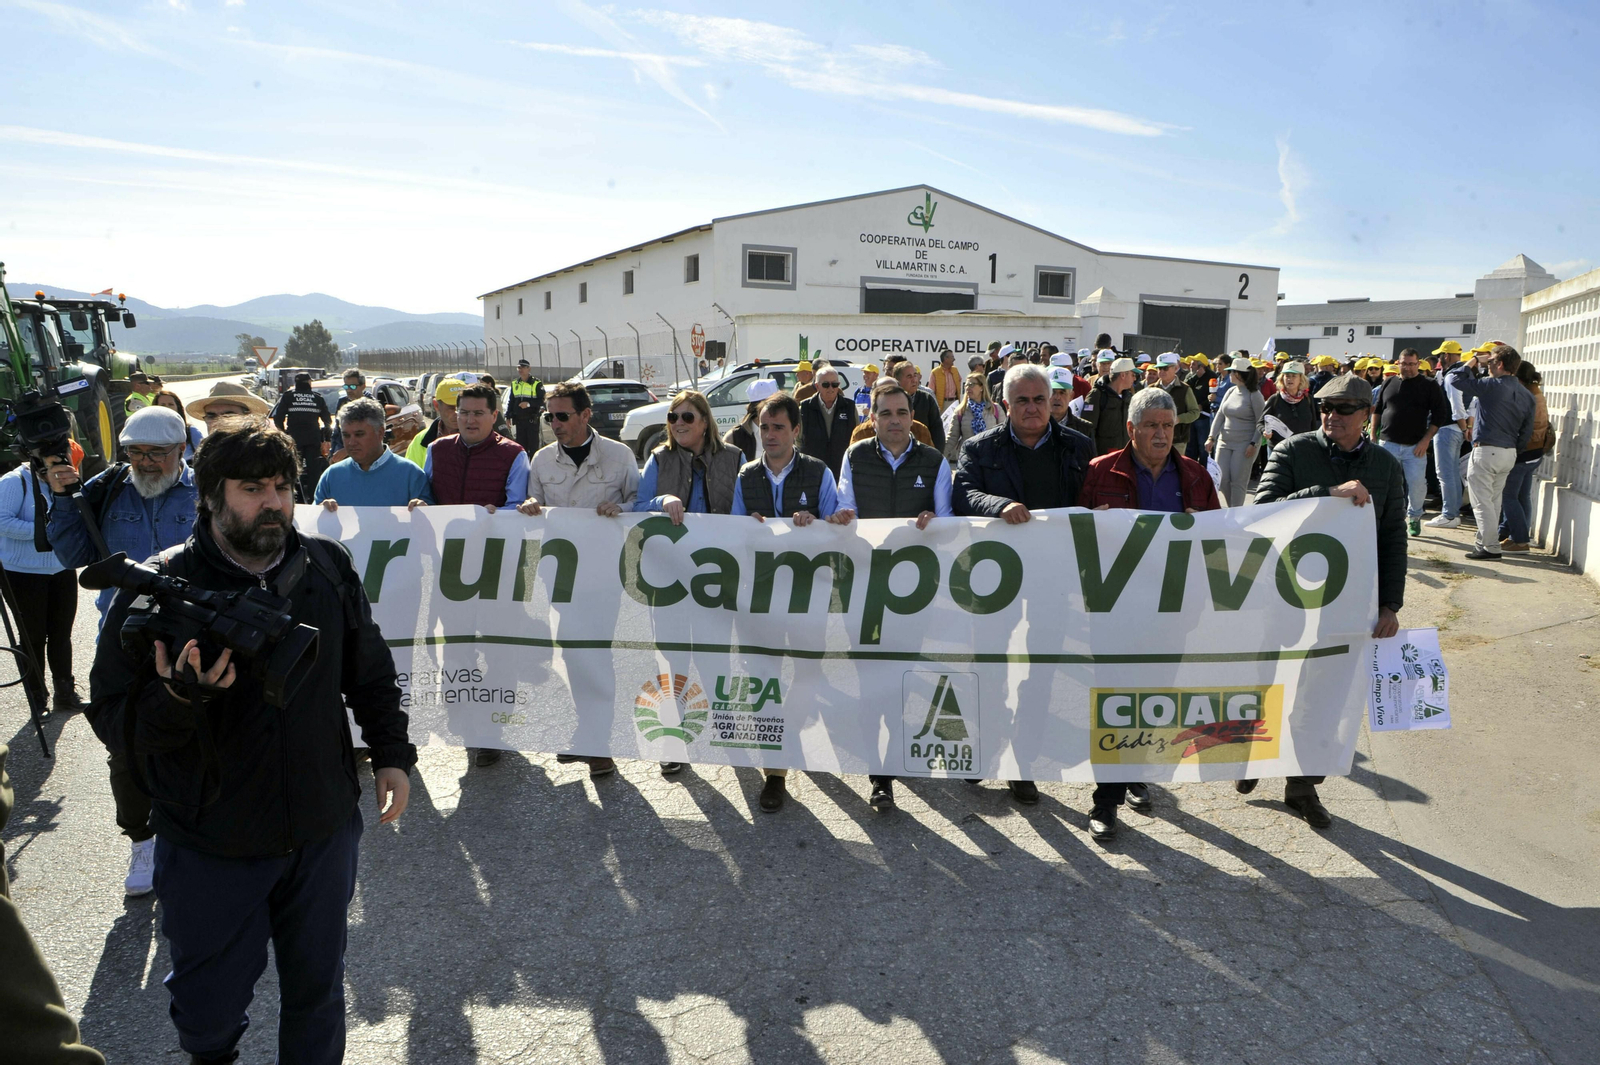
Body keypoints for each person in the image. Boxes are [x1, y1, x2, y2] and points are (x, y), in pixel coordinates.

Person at [87, 416, 415, 1065]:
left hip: (321, 828)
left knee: (317, 996)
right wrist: (179, 697)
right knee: (208, 1014)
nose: (272, 502)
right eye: (250, 488)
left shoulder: (325, 567)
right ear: (209, 495)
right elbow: (113, 721)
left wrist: (392, 754)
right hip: (212, 840)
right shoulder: (155, 590)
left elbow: (370, 670)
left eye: (280, 486)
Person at [45, 406, 202, 897]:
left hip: (193, 634)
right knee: (126, 744)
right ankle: (142, 840)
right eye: (135, 452)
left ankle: (200, 835)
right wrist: (62, 496)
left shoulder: (207, 490)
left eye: (157, 452)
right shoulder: (107, 489)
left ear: (181, 450)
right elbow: (72, 556)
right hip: (122, 639)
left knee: (201, 735)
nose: (146, 462)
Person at [1242, 374, 1406, 828]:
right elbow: (1263, 511)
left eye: (1344, 409)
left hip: (1344, 602)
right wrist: (1327, 495)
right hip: (1281, 593)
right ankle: (1255, 756)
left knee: (1321, 694)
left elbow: (1393, 536)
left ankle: (1301, 785)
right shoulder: (1293, 451)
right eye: (1325, 408)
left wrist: (1391, 603)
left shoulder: (1386, 466)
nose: (1332, 416)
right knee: (1270, 682)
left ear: (1366, 416)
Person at [1076, 388, 1219, 837]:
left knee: (1153, 700)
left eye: (1168, 426)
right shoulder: (1100, 472)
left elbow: (1219, 546)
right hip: (1114, 612)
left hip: (1171, 613)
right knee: (1114, 704)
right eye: (1152, 426)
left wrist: (1205, 531)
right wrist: (1091, 525)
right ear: (1131, 429)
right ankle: (1104, 803)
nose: (1161, 434)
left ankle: (1133, 774)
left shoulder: (1195, 476)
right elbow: (1072, 540)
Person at [952, 364, 1091, 807]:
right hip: (995, 579)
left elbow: (1093, 500)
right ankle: (988, 746)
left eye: (1040, 400)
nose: (1032, 408)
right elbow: (963, 495)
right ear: (1005, 405)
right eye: (1022, 401)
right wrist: (1001, 506)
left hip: (1054, 577)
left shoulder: (1078, 446)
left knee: (1040, 673)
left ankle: (1022, 762)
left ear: (1053, 401)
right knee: (988, 664)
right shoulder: (979, 447)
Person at [836, 380, 952, 811]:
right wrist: (843, 516)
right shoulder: (854, 456)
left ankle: (895, 753)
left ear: (912, 417)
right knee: (869, 678)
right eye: (885, 413)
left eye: (902, 413)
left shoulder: (936, 461)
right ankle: (879, 774)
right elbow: (846, 508)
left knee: (901, 675)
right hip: (863, 585)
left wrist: (934, 521)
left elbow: (949, 521)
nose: (894, 421)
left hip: (912, 590)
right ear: (873, 418)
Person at [730, 391, 845, 812]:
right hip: (760, 598)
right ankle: (776, 771)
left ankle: (791, 732)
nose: (770, 434)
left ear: (796, 430)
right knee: (765, 679)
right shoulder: (746, 475)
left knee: (808, 676)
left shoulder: (818, 473)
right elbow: (734, 536)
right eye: (764, 426)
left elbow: (838, 526)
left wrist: (819, 522)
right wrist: (748, 528)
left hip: (807, 596)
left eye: (779, 427)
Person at [520, 381, 641, 779]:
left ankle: (599, 743)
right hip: (562, 577)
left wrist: (619, 507)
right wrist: (531, 508)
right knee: (572, 655)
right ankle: (587, 732)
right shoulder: (541, 461)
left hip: (606, 575)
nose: (554, 423)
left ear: (586, 415)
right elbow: (531, 514)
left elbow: (639, 507)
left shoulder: (620, 456)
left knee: (597, 656)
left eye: (562, 415)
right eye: (549, 416)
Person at [0, 458, 82, 716]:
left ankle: (65, 695)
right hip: (22, 573)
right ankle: (37, 699)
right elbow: (2, 521)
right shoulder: (14, 482)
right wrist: (49, 530)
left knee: (61, 634)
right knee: (32, 637)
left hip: (61, 568)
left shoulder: (65, 480)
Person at [1446, 343, 1536, 561]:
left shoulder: (1491, 384)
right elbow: (1527, 430)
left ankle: (1489, 546)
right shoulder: (1526, 394)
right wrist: (1516, 449)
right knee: (1494, 501)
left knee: (1481, 501)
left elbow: (1455, 379)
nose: (1489, 364)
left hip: (1487, 450)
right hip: (1509, 451)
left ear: (1500, 364)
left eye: (1492, 361)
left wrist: (1475, 360)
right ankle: (1486, 542)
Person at [1371, 348, 1454, 536]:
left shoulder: (1429, 385)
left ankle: (1414, 517)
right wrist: (1373, 435)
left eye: (1411, 364)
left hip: (1415, 446)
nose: (1407, 367)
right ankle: (1384, 519)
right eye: (1404, 363)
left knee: (1417, 485)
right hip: (1387, 443)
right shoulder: (1389, 382)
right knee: (1384, 484)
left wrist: (1426, 440)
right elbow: (1378, 410)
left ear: (1418, 364)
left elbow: (1440, 415)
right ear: (1397, 363)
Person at [418, 384, 527, 512]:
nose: (470, 420)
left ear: (494, 416)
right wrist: (421, 505)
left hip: (491, 531)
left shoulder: (514, 455)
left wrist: (496, 513)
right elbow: (427, 498)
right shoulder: (436, 449)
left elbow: (517, 508)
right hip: (444, 531)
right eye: (464, 413)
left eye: (478, 413)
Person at [315, 398, 432, 508]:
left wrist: (424, 512)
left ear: (380, 432)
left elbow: (431, 525)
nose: (351, 442)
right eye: (346, 435)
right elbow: (310, 525)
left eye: (359, 434)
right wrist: (318, 513)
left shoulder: (411, 475)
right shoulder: (331, 476)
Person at [1498, 360, 1549, 552]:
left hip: (1524, 452)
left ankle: (1520, 540)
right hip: (1535, 451)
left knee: (1509, 496)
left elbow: (1521, 427)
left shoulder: (1526, 396)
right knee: (1522, 496)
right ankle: (1516, 536)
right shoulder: (1536, 392)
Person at [1207, 356, 1266, 506]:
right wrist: (1211, 437)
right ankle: (1232, 509)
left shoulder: (1255, 395)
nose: (1229, 374)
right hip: (1224, 442)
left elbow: (1261, 422)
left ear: (1239, 374)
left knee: (1238, 482)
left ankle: (1236, 513)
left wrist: (1254, 443)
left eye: (1232, 371)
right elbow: (1220, 415)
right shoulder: (1231, 391)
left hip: (1245, 444)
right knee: (1223, 479)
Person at [1425, 341, 1471, 529]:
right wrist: (1465, 427)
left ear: (1446, 355)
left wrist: (1463, 427)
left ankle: (1449, 514)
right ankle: (1452, 513)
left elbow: (1457, 405)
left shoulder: (1452, 375)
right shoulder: (1464, 373)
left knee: (1445, 473)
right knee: (1450, 473)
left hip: (1448, 429)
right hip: (1456, 429)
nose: (1440, 359)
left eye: (1441, 355)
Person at [270, 371, 333, 501]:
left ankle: (293, 498)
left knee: (293, 470)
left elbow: (278, 419)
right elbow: (328, 421)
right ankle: (315, 499)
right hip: (313, 439)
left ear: (296, 383)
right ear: (309, 383)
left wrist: (283, 434)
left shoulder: (288, 397)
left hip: (294, 439)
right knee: (313, 472)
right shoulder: (317, 398)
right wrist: (326, 438)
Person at [797, 363, 858, 478]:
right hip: (812, 471)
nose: (831, 388)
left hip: (842, 471)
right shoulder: (805, 408)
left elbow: (856, 437)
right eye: (826, 384)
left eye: (835, 384)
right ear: (817, 386)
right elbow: (798, 440)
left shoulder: (849, 407)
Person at [1080, 356, 1137, 455]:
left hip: (1124, 456)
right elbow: (1087, 428)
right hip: (1103, 458)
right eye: (1132, 374)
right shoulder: (1097, 395)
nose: (1135, 378)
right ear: (1123, 375)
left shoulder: (1129, 397)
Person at [889, 359, 947, 454]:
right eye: (909, 376)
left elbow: (937, 431)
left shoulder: (926, 399)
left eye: (915, 375)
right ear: (897, 380)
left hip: (922, 455)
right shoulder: (889, 399)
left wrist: (937, 456)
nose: (914, 380)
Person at [944, 372, 1004, 460]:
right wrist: (940, 457)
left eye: (971, 385)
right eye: (966, 385)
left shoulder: (995, 409)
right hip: (967, 458)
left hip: (990, 458)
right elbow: (952, 438)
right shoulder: (961, 411)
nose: (968, 388)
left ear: (982, 387)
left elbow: (1003, 435)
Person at [405, 378, 463, 468]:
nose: (457, 413)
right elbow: (411, 478)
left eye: (461, 408)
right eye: (451, 407)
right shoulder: (421, 441)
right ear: (436, 405)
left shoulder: (481, 437)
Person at [1263, 361, 1319, 446]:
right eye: (1287, 376)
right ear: (1282, 378)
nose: (1290, 379)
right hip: (1279, 447)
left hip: (1302, 447)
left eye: (1294, 376)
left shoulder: (1308, 398)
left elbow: (1313, 424)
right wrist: (1265, 431)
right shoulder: (1275, 399)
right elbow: (1261, 422)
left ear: (1301, 379)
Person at [184, 381, 271, 430]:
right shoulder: (203, 455)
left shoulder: (265, 454)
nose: (218, 421)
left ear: (248, 417)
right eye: (211, 416)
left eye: (228, 415)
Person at [327, 369, 373, 461]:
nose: (348, 390)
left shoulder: (371, 405)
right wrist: (332, 453)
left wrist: (347, 451)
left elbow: (372, 436)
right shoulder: (342, 402)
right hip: (341, 453)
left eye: (352, 386)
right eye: (346, 386)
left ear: (363, 386)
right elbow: (337, 430)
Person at [152, 390, 203, 461]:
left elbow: (205, 456)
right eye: (162, 405)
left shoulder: (191, 431)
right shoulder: (150, 433)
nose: (167, 408)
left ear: (178, 407)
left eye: (171, 404)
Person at [509, 359, 545, 454]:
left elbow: (542, 401)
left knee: (533, 448)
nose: (520, 369)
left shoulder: (536, 383)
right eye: (519, 367)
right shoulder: (515, 383)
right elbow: (511, 401)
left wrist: (528, 404)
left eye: (523, 367)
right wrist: (508, 416)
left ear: (529, 369)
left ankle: (533, 467)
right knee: (521, 449)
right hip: (519, 421)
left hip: (531, 421)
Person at [1047, 367, 1093, 437]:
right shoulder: (1034, 424)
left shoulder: (1085, 429)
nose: (1057, 397)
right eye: (1053, 392)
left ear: (1071, 396)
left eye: (1062, 392)